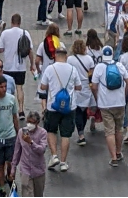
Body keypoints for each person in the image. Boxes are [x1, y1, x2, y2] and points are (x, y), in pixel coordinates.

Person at [38, 44, 81, 172]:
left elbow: (43, 87)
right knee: (65, 134)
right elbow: (79, 87)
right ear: (66, 57)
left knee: (51, 130)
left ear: (55, 56)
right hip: (69, 107)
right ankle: (63, 162)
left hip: (53, 106)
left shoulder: (50, 69)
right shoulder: (73, 69)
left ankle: (54, 155)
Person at [91, 44, 128, 166]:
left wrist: (97, 97)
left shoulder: (99, 67)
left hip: (105, 104)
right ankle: (118, 152)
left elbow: (94, 86)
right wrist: (124, 94)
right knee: (119, 129)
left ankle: (113, 158)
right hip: (119, 103)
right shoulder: (119, 66)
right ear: (112, 54)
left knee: (109, 131)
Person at [0, 75, 20, 194]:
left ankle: (10, 179)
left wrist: (18, 133)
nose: (4, 89)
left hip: (10, 135)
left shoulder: (11, 98)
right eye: (1, 87)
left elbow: (15, 116)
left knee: (11, 162)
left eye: (5, 86)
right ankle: (2, 188)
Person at [0, 14, 35, 109]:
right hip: (21, 66)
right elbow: (30, 51)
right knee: (19, 88)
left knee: (7, 89)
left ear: (11, 22)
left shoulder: (5, 33)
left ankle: (9, 108)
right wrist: (32, 64)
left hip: (8, 66)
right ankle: (21, 109)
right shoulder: (25, 33)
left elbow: (1, 49)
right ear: (20, 22)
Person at [12, 110, 48, 198]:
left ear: (37, 123)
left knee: (38, 194)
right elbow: (17, 151)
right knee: (27, 194)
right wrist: (13, 168)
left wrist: (31, 142)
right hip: (25, 170)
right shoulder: (21, 132)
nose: (29, 124)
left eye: (32, 122)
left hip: (38, 171)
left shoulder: (42, 133)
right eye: (28, 122)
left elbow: (42, 150)